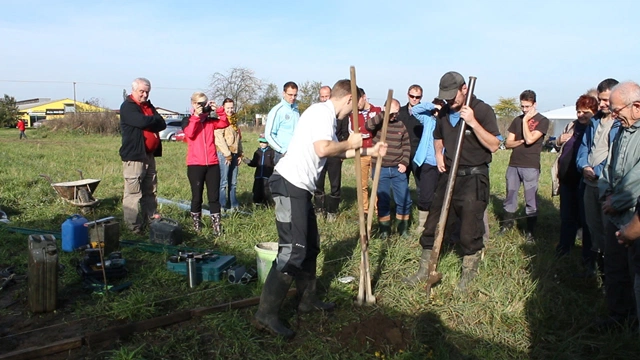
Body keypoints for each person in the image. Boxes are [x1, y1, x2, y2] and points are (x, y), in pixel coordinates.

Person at [253, 79, 388, 339]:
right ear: (349, 99)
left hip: (300, 188)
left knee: (311, 246)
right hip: (289, 183)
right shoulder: (321, 112)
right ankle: (265, 315)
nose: (353, 114)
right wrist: (351, 142)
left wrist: (368, 149)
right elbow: (324, 148)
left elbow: (332, 152)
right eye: (354, 108)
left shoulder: (325, 115)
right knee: (293, 251)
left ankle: (307, 300)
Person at [403, 71, 500, 290]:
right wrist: (438, 153)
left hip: (473, 177)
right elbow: (438, 136)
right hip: (448, 176)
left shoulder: (482, 110)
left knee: (469, 229)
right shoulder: (445, 112)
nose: (448, 100)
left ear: (464, 89)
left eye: (452, 95)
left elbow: (494, 144)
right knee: (433, 223)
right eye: (445, 96)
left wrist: (473, 122)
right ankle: (424, 269)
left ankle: (468, 274)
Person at [598, 81, 640, 329]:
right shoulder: (622, 130)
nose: (613, 115)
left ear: (636, 106)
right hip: (613, 215)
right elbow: (609, 166)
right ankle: (617, 316)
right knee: (614, 269)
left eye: (617, 109)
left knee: (635, 271)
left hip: (634, 217)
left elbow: (637, 179)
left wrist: (619, 201)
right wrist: (606, 195)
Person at [576, 78, 620, 276]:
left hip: (606, 185)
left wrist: (598, 171)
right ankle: (594, 264)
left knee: (607, 229)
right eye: (600, 100)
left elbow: (616, 154)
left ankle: (609, 270)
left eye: (605, 100)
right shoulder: (594, 121)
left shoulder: (621, 124)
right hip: (589, 183)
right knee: (591, 226)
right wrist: (584, 165)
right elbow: (585, 146)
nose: (601, 104)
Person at [499, 90, 550, 242]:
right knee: (510, 196)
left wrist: (525, 122)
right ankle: (506, 225)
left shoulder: (543, 121)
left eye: (527, 106)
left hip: (530, 165)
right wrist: (519, 141)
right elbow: (508, 143)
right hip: (514, 164)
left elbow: (529, 139)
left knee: (531, 198)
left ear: (535, 104)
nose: (524, 110)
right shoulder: (516, 120)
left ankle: (530, 232)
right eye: (522, 106)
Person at [119, 77, 167, 234]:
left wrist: (152, 120)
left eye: (147, 92)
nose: (145, 95)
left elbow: (162, 123)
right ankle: (133, 227)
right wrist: (153, 120)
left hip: (149, 155)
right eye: (142, 91)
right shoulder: (128, 107)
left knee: (150, 190)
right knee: (133, 193)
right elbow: (141, 122)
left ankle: (152, 221)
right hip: (134, 157)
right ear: (134, 90)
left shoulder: (148, 106)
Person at [365, 99, 412, 238]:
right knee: (383, 199)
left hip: (398, 169)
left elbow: (406, 146)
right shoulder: (378, 123)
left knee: (404, 199)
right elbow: (368, 126)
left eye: (396, 113)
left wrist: (404, 162)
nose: (394, 116)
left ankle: (402, 229)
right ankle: (384, 230)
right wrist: (385, 114)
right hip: (381, 168)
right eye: (392, 113)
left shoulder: (400, 125)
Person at [183, 93, 229, 234]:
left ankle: (216, 226)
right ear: (193, 104)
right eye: (199, 103)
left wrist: (219, 110)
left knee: (213, 197)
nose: (202, 106)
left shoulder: (210, 121)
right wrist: (196, 117)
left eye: (204, 103)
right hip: (195, 164)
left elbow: (224, 123)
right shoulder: (187, 120)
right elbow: (190, 134)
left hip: (212, 164)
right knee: (197, 196)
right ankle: (197, 226)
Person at [555, 95, 594, 259]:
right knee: (566, 217)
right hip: (566, 180)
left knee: (585, 220)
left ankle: (587, 257)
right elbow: (559, 146)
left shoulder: (594, 129)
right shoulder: (571, 125)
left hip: (584, 181)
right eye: (578, 111)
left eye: (586, 112)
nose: (581, 115)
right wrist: (559, 140)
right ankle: (564, 249)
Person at [314, 86, 350, 221]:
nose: (324, 99)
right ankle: (319, 209)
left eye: (327, 96)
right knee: (318, 182)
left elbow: (345, 134)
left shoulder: (341, 114)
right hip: (321, 153)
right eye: (322, 96)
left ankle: (332, 211)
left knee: (335, 184)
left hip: (335, 154)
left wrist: (340, 149)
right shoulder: (318, 114)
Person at [411, 98, 445, 234]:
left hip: (443, 164)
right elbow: (414, 110)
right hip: (428, 163)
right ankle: (422, 225)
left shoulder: (447, 123)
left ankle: (438, 224)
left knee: (440, 195)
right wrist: (433, 105)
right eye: (436, 110)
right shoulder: (428, 120)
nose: (438, 113)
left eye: (440, 110)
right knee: (425, 195)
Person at [349, 88, 382, 216]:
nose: (356, 105)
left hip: (375, 152)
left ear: (364, 97)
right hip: (361, 152)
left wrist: (364, 131)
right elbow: (353, 131)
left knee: (377, 182)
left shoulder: (377, 111)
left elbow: (374, 130)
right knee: (361, 183)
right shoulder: (352, 115)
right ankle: (364, 210)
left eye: (358, 101)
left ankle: (379, 208)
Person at [214, 98, 244, 214]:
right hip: (224, 154)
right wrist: (227, 155)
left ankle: (234, 204)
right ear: (223, 108)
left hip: (235, 153)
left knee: (233, 182)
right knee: (224, 182)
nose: (230, 110)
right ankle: (221, 205)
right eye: (228, 108)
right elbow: (219, 139)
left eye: (232, 107)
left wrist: (240, 152)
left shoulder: (234, 121)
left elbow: (238, 139)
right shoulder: (220, 121)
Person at [264, 82, 300, 164]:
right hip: (282, 154)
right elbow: (269, 134)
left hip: (296, 153)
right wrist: (283, 150)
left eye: (295, 95)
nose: (293, 97)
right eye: (290, 95)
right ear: (284, 93)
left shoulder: (296, 110)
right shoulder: (277, 111)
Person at [397, 84, 424, 189]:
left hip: (418, 153)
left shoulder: (425, 113)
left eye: (417, 97)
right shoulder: (400, 112)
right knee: (401, 183)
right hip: (402, 153)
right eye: (412, 96)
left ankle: (423, 205)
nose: (414, 99)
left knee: (421, 183)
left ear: (421, 97)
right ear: (407, 95)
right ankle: (401, 205)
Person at [245, 134, 276, 205]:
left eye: (264, 142)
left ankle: (267, 204)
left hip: (267, 175)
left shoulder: (271, 152)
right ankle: (257, 203)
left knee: (266, 190)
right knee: (257, 190)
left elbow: (274, 163)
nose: (262, 144)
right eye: (261, 142)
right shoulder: (257, 152)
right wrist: (249, 162)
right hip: (258, 175)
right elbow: (255, 163)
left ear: (268, 143)